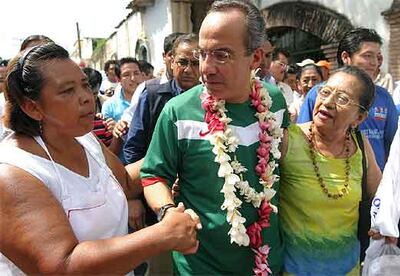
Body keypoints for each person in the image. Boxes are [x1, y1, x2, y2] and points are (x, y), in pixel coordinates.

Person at [0, 43, 199, 275]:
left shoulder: (84, 139)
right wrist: (163, 234)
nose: (86, 97)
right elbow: (62, 265)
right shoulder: (13, 172)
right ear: (32, 107)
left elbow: (123, 182)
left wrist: (178, 149)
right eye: (67, 91)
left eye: (85, 85)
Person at [140, 1, 289, 274]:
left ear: (255, 58)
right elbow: (153, 176)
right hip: (201, 266)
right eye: (203, 54)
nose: (205, 68)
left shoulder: (275, 102)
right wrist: (169, 213)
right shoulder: (178, 112)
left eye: (222, 55)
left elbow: (284, 159)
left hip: (267, 261)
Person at [279, 66, 381, 275]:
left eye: (342, 99)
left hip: (347, 269)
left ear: (359, 118)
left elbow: (380, 196)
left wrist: (381, 226)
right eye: (325, 92)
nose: (327, 103)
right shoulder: (287, 139)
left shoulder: (361, 145)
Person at [298, 28, 398, 172]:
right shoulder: (319, 94)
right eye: (368, 56)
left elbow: (393, 146)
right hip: (326, 180)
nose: (374, 63)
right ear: (346, 57)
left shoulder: (384, 98)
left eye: (378, 57)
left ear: (360, 117)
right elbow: (303, 138)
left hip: (373, 185)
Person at [124, 33, 200, 164]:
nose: (188, 70)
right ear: (172, 62)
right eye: (182, 62)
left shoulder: (212, 99)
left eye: (195, 63)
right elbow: (133, 149)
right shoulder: (152, 95)